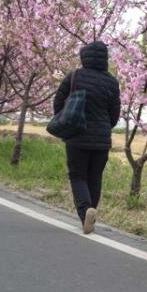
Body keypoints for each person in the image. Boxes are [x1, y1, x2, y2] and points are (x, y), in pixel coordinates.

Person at [52, 41, 121, 235]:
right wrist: (104, 127)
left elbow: (58, 102)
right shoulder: (111, 81)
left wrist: (64, 120)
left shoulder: (74, 76)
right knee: (95, 176)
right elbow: (114, 114)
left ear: (84, 57)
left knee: (78, 175)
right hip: (102, 139)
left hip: (77, 136)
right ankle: (91, 212)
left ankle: (85, 212)